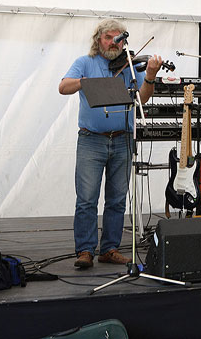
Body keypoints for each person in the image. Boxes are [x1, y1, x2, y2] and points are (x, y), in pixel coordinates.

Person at [59, 19, 163, 268]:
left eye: (119, 38)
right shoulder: (85, 62)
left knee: (117, 198)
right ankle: (85, 250)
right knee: (86, 198)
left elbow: (143, 99)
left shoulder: (128, 64)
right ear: (99, 40)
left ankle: (110, 248)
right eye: (109, 38)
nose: (114, 43)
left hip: (122, 139)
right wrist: (85, 82)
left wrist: (149, 75)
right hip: (91, 140)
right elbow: (63, 87)